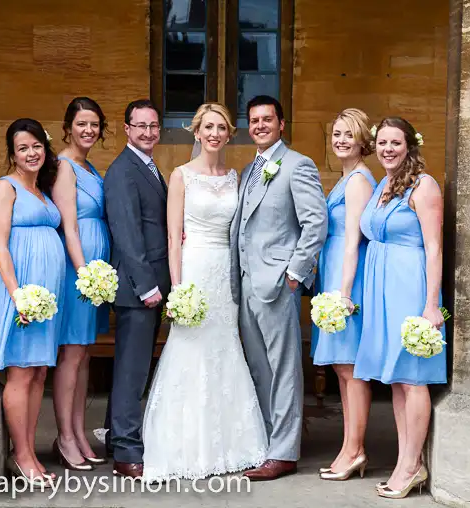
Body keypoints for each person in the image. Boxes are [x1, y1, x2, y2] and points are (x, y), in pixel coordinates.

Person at [142, 103, 268, 483]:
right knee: (189, 348)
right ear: (196, 132)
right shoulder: (181, 176)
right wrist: (178, 290)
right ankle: (182, 445)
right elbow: (172, 237)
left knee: (225, 348)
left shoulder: (236, 178)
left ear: (230, 134)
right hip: (194, 268)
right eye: (207, 127)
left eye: (221, 128)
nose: (214, 133)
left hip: (226, 273)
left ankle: (232, 443)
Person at [229, 95, 328, 481]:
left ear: (281, 124)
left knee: (284, 369)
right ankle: (268, 441)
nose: (259, 126)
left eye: (267, 119)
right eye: (253, 120)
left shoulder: (297, 165)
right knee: (259, 368)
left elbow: (315, 223)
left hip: (276, 284)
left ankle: (284, 453)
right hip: (246, 284)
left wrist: (294, 274)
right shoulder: (249, 169)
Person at [354, 117, 446, 499]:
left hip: (409, 287)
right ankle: (406, 459)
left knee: (413, 376)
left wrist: (430, 306)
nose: (387, 149)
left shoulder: (423, 186)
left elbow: (434, 248)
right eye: (382, 142)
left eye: (395, 142)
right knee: (394, 377)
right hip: (381, 287)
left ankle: (412, 464)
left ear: (410, 145)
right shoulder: (383, 186)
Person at [0, 118, 65, 488]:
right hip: (19, 293)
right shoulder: (6, 188)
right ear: (12, 154)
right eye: (23, 148)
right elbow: (0, 246)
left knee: (39, 372)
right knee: (20, 372)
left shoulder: (42, 192)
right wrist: (18, 294)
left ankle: (29, 451)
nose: (32, 153)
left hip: (46, 297)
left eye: (36, 146)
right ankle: (20, 455)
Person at [102, 99, 172, 479]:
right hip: (137, 288)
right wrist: (146, 286)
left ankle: (116, 435)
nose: (148, 132)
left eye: (153, 125)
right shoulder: (122, 171)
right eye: (140, 125)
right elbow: (127, 233)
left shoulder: (146, 166)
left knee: (135, 365)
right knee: (132, 368)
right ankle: (127, 450)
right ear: (126, 128)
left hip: (152, 284)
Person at [309, 109, 377, 481]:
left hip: (345, 277)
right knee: (341, 367)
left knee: (352, 369)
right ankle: (350, 446)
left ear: (362, 139)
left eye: (348, 134)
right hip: (333, 271)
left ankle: (355, 449)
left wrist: (343, 292)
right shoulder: (346, 177)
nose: (341, 140)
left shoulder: (357, 182)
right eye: (336, 133)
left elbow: (353, 240)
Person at [50, 97, 111, 471]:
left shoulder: (91, 167)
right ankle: (64, 436)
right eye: (81, 124)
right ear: (68, 126)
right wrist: (83, 271)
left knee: (84, 352)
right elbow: (70, 225)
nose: (88, 130)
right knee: (71, 355)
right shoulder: (63, 166)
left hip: (95, 275)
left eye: (94, 124)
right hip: (79, 273)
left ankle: (78, 429)